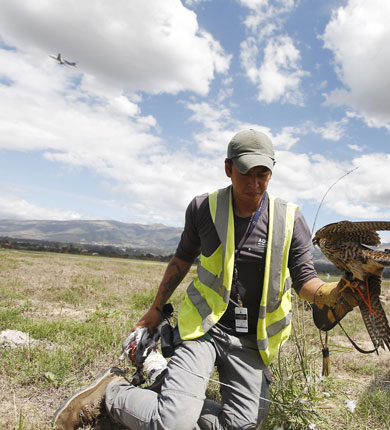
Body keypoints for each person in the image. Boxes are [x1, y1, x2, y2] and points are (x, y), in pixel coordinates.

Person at [52, 129, 358, 430]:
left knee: (241, 425)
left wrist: (332, 293)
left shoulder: (291, 219)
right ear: (228, 168)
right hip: (204, 328)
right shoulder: (204, 209)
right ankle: (113, 393)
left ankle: (168, 389)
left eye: (262, 174)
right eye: (245, 173)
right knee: (173, 425)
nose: (254, 183)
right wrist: (157, 308)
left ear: (271, 172)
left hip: (252, 339)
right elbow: (181, 260)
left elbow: (306, 279)